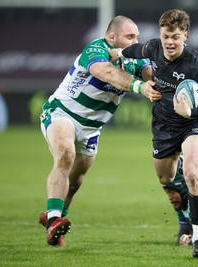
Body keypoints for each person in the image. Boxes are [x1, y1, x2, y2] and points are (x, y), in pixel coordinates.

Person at [110, 9, 198, 258]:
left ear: (185, 35)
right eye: (165, 36)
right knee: (166, 179)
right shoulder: (153, 48)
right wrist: (117, 54)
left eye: (175, 36)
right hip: (164, 126)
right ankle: (183, 220)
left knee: (192, 174)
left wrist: (192, 113)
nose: (169, 42)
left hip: (193, 124)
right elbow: (134, 50)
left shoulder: (197, 64)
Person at [38, 15, 161, 247]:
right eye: (130, 36)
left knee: (76, 181)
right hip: (62, 113)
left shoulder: (135, 57)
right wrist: (139, 86)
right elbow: (105, 72)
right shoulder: (96, 48)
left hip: (92, 129)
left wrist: (177, 82)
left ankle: (53, 215)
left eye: (137, 36)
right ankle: (55, 221)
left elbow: (151, 76)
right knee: (65, 154)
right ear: (112, 37)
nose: (136, 40)